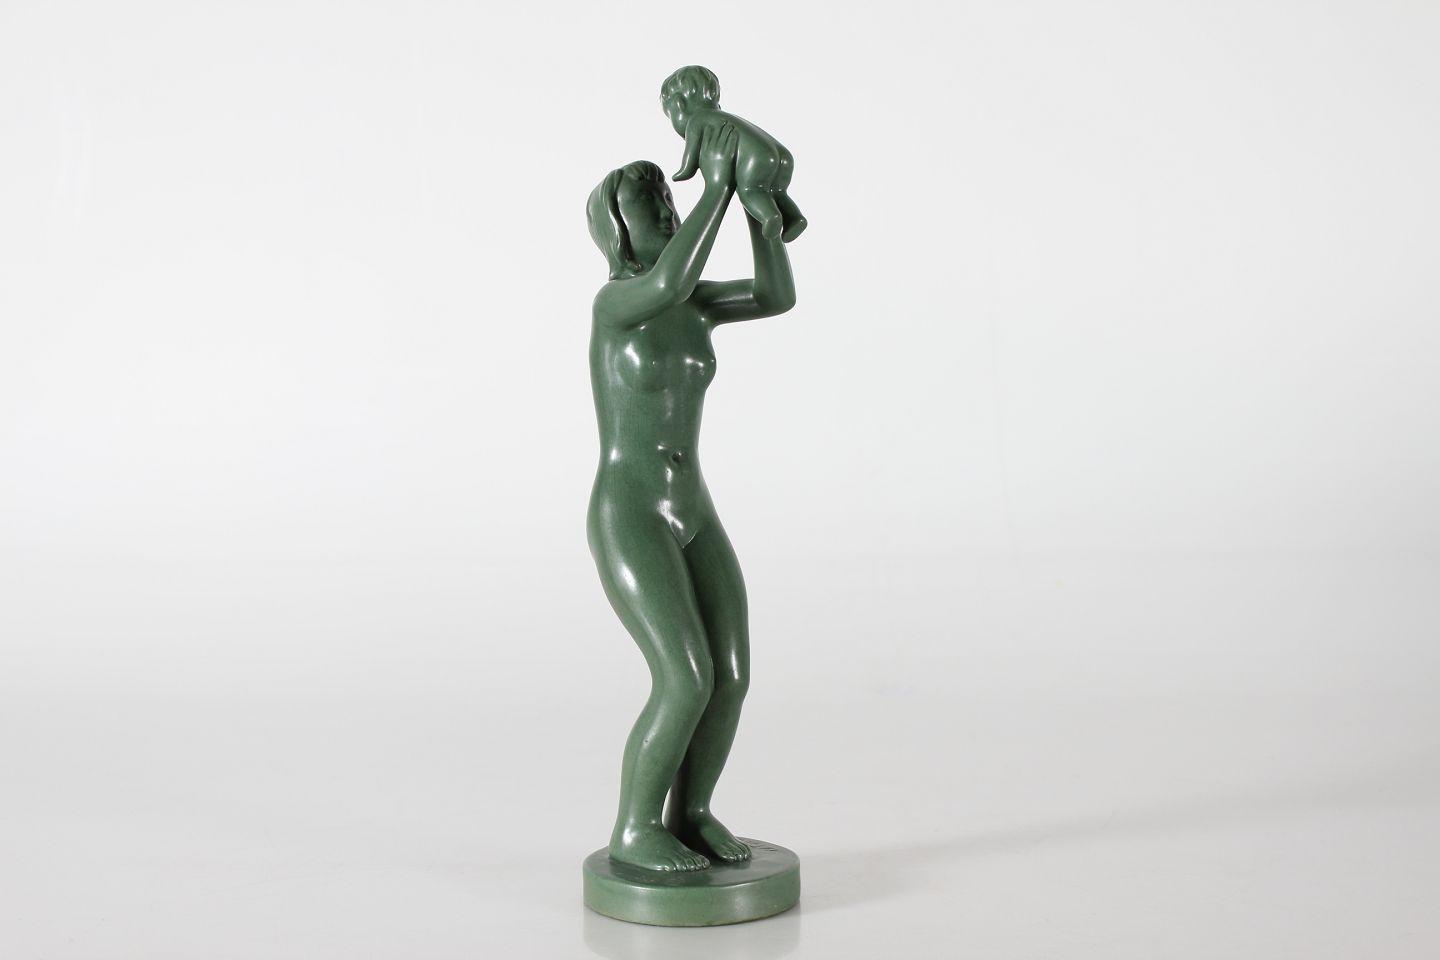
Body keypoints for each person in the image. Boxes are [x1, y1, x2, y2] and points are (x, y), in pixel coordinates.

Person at [585, 122, 797, 872]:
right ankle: (635, 828)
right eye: (651, 207)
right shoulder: (620, 303)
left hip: (692, 507)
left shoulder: (695, 304)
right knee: (685, 677)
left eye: (668, 204)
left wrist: (760, 215)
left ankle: (692, 812)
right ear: (617, 230)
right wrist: (717, 186)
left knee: (730, 675)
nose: (668, 214)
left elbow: (775, 296)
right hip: (631, 511)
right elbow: (672, 280)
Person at [661, 64, 807, 243]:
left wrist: (684, 172)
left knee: (751, 190)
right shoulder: (730, 119)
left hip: (757, 158)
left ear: (679, 105)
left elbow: (690, 159)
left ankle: (770, 216)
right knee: (777, 191)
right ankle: (795, 218)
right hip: (782, 154)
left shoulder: (698, 120)